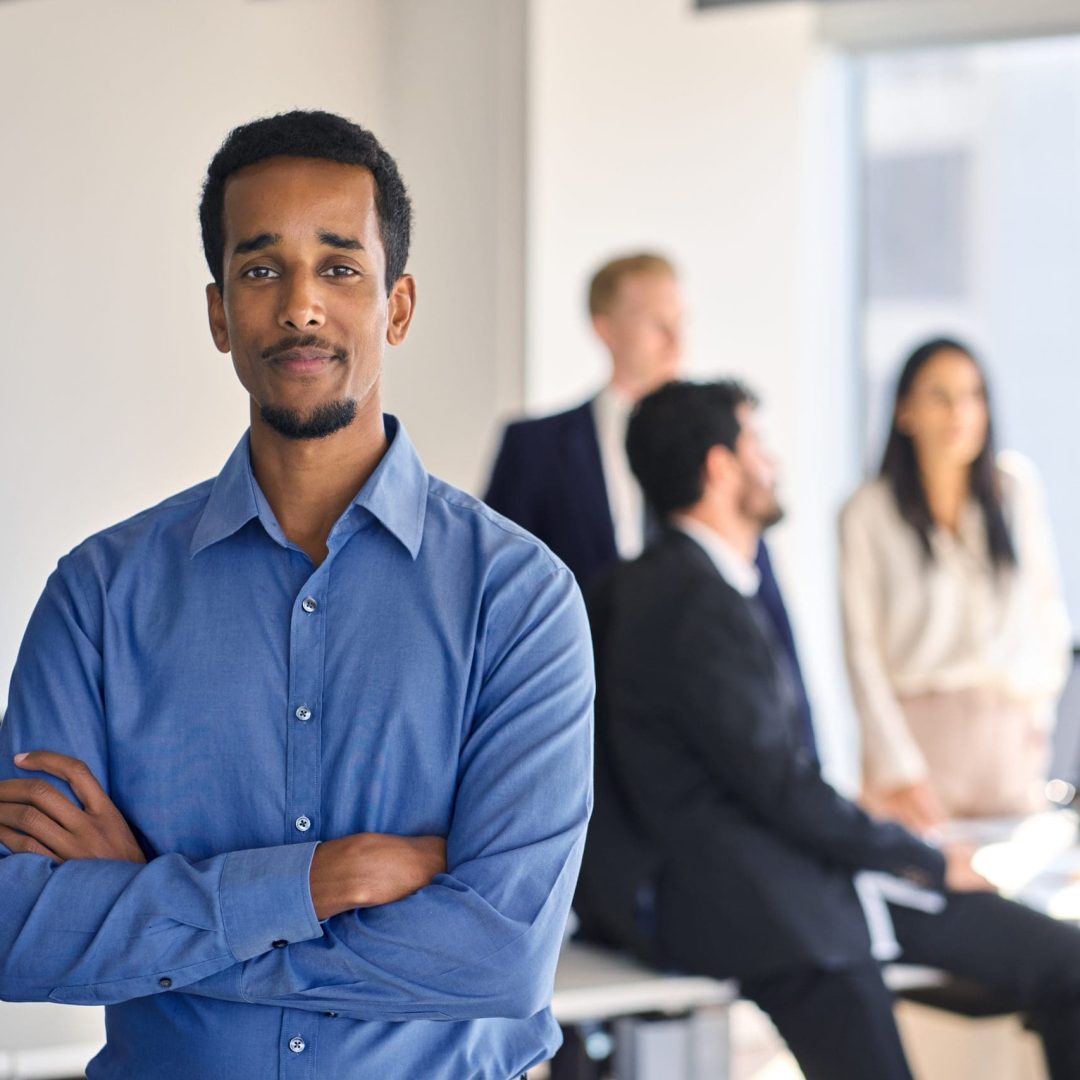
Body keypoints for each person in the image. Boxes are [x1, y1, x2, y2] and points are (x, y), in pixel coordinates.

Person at [0, 110, 593, 1079]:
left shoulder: (516, 599)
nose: (301, 306)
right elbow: (18, 932)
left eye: (341, 267)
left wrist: (153, 906)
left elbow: (500, 960)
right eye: (262, 269)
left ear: (397, 307)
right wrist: (319, 883)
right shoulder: (98, 595)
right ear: (219, 311)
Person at [576, 379, 1080, 1080]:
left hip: (806, 877)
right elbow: (780, 787)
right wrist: (926, 858)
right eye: (758, 444)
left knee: (1062, 959)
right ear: (721, 467)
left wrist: (907, 853)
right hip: (763, 906)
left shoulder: (661, 585)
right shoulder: (690, 604)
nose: (773, 462)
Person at [484, 254, 816, 753]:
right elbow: (498, 596)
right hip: (577, 727)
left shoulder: (723, 442)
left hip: (706, 731)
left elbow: (760, 597)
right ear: (606, 329)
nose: (676, 341)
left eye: (681, 323)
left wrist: (806, 750)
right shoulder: (536, 447)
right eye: (656, 324)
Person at [841, 337, 1071, 831]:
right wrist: (899, 768)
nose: (959, 413)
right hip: (918, 751)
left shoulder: (1014, 492)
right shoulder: (868, 513)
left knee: (1023, 900)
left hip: (1010, 752)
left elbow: (1048, 614)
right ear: (904, 411)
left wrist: (1039, 723)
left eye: (972, 395)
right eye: (939, 396)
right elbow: (861, 654)